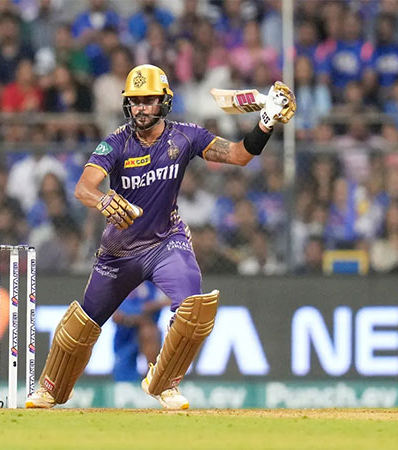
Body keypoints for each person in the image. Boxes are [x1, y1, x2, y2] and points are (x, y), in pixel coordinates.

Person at [25, 64, 296, 410]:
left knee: (194, 309)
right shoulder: (116, 142)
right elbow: (83, 187)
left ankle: (165, 384)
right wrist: (102, 200)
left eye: (148, 100)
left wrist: (266, 121)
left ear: (164, 101)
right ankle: (50, 389)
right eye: (135, 101)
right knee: (84, 322)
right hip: (120, 251)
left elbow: (239, 155)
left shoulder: (185, 136)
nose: (140, 108)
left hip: (166, 242)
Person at [112, 281, 170, 382]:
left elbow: (169, 301)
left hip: (148, 331)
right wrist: (148, 309)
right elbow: (117, 315)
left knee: (149, 332)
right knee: (124, 379)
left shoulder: (156, 285)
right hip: (125, 338)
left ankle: (153, 377)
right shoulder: (123, 283)